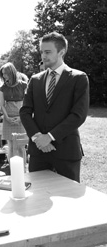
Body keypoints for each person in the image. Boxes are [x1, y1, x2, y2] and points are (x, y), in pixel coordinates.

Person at [20, 32, 89, 182]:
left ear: (61, 52)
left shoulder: (79, 78)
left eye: (48, 52)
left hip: (66, 151)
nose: (43, 56)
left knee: (68, 199)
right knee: (37, 199)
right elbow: (25, 112)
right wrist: (38, 138)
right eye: (42, 52)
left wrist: (50, 137)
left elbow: (78, 114)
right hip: (38, 153)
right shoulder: (35, 80)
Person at [0, 62, 28, 160]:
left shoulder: (23, 85)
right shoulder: (3, 87)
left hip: (21, 119)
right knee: (11, 147)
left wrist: (21, 118)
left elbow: (27, 104)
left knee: (21, 146)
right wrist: (6, 117)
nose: (4, 76)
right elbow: (2, 105)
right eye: (2, 74)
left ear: (11, 72)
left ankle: (23, 170)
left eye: (6, 73)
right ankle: (12, 170)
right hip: (8, 120)